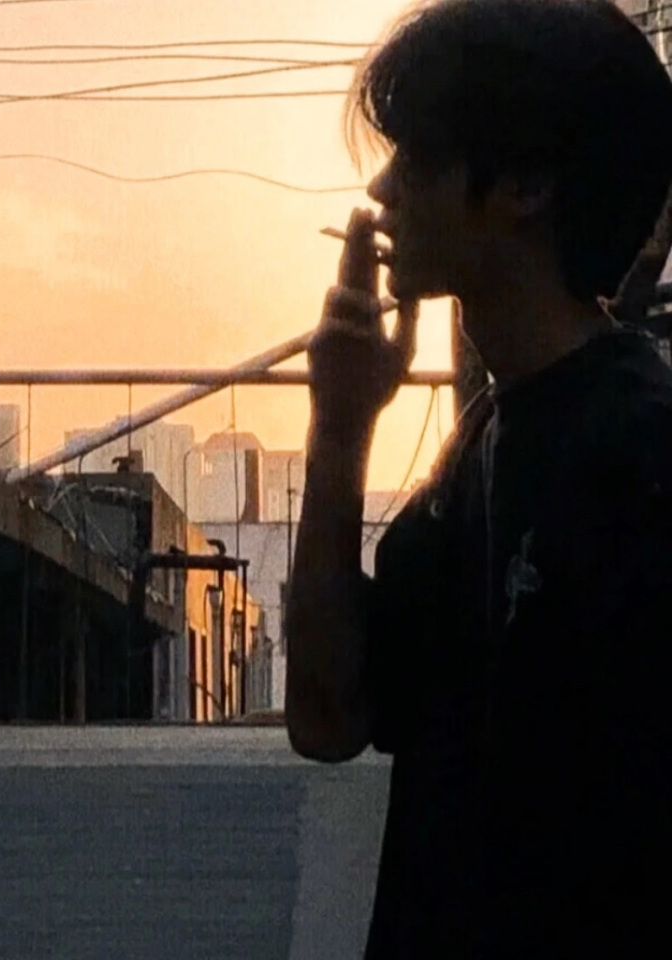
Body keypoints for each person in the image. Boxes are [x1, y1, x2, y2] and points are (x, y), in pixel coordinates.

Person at [285, 1, 672, 957]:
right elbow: (328, 718)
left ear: (527, 186)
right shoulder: (473, 459)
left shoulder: (638, 455)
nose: (382, 188)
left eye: (417, 157)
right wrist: (339, 429)